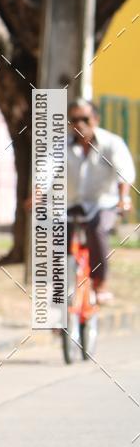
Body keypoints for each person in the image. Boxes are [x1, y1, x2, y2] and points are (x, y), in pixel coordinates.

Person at [67, 98, 135, 303]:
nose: (80, 124)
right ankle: (59, 298)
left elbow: (124, 172)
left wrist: (123, 199)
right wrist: (37, 194)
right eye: (74, 119)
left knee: (96, 229)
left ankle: (100, 284)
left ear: (96, 119)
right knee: (55, 237)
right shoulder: (61, 145)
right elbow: (46, 170)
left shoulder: (112, 143)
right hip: (71, 204)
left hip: (103, 202)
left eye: (85, 119)